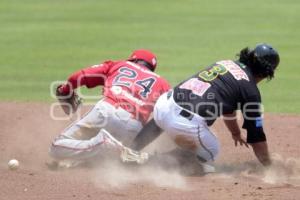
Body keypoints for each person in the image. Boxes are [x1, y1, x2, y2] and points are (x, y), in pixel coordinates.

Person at [131, 43, 280, 172]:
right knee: (210, 152)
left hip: (163, 105)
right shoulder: (250, 91)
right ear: (267, 73)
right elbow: (257, 137)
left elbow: (229, 107)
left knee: (164, 116)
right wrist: (269, 166)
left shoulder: (226, 63)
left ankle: (132, 150)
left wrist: (235, 132)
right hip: (183, 123)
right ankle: (152, 162)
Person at [49, 49, 170, 167]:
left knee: (56, 147)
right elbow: (168, 115)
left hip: (107, 111)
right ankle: (102, 147)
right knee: (106, 160)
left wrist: (65, 89)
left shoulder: (119, 65)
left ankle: (103, 143)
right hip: (133, 127)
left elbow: (78, 77)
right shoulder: (162, 83)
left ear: (133, 60)